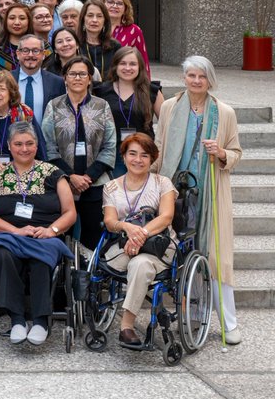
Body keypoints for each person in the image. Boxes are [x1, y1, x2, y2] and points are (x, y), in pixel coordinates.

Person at [154, 55, 243, 344]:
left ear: (210, 80)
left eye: (201, 77)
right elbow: (159, 145)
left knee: (215, 256)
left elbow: (236, 153)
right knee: (180, 253)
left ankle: (229, 324)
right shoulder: (169, 107)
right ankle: (192, 318)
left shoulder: (224, 112)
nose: (196, 81)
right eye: (191, 75)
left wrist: (220, 153)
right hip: (176, 191)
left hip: (210, 191)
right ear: (184, 78)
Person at [0, 121, 77, 345]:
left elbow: (70, 212)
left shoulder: (53, 173)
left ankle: (41, 321)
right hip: (8, 234)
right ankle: (17, 320)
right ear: (10, 147)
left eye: (30, 143)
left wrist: (51, 230)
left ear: (36, 144)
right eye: (18, 144)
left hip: (45, 235)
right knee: (1, 252)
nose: (24, 148)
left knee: (41, 257)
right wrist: (15, 231)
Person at [101, 134, 179, 349]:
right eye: (132, 154)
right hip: (122, 246)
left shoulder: (163, 183)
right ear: (124, 157)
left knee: (141, 264)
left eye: (145, 155)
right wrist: (126, 227)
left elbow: (166, 217)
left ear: (152, 158)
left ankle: (126, 325)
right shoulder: (111, 187)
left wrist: (140, 234)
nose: (138, 160)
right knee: (132, 263)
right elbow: (109, 221)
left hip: (159, 247)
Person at [42, 56, 117, 251]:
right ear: (65, 78)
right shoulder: (54, 106)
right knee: (61, 233)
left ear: (90, 78)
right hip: (62, 182)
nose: (77, 78)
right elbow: (48, 145)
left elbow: (110, 146)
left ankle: (89, 277)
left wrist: (88, 177)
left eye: (82, 74)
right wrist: (70, 176)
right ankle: (64, 278)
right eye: (72, 74)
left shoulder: (102, 106)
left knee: (93, 234)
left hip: (95, 183)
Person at [96, 46, 164, 176]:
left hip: (144, 154)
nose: (128, 68)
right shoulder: (101, 91)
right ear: (115, 66)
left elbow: (166, 124)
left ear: (140, 67)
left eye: (133, 64)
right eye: (123, 63)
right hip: (113, 154)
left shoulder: (152, 91)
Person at [15, 33, 65, 145]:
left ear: (43, 54)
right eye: (26, 50)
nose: (30, 55)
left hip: (46, 144)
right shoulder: (7, 80)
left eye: (36, 51)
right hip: (14, 144)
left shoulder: (57, 82)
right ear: (18, 54)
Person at [103, 0, 150, 72]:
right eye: (110, 2)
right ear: (102, 5)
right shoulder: (95, 27)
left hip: (124, 79)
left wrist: (145, 84)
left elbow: (143, 61)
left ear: (125, 9)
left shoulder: (134, 30)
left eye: (120, 3)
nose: (114, 6)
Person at [76, 0, 123, 82]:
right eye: (90, 15)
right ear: (83, 19)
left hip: (108, 93)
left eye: (99, 16)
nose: (94, 20)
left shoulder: (115, 46)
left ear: (105, 21)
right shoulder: (75, 45)